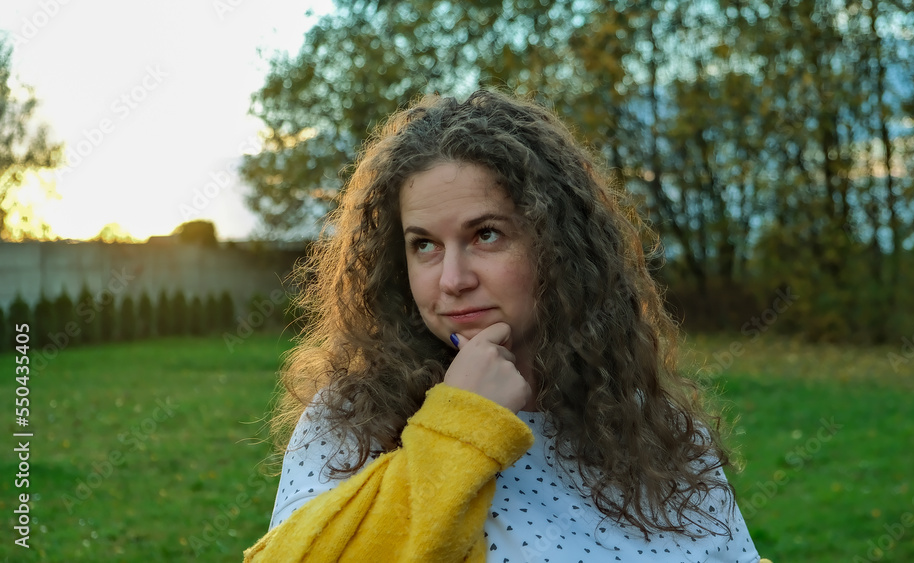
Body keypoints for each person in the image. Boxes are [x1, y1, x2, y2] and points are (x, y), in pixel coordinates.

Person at [244, 90, 766, 562]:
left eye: (487, 235)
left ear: (560, 248)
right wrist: (460, 428)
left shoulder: (662, 432)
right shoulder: (352, 422)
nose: (452, 279)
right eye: (423, 244)